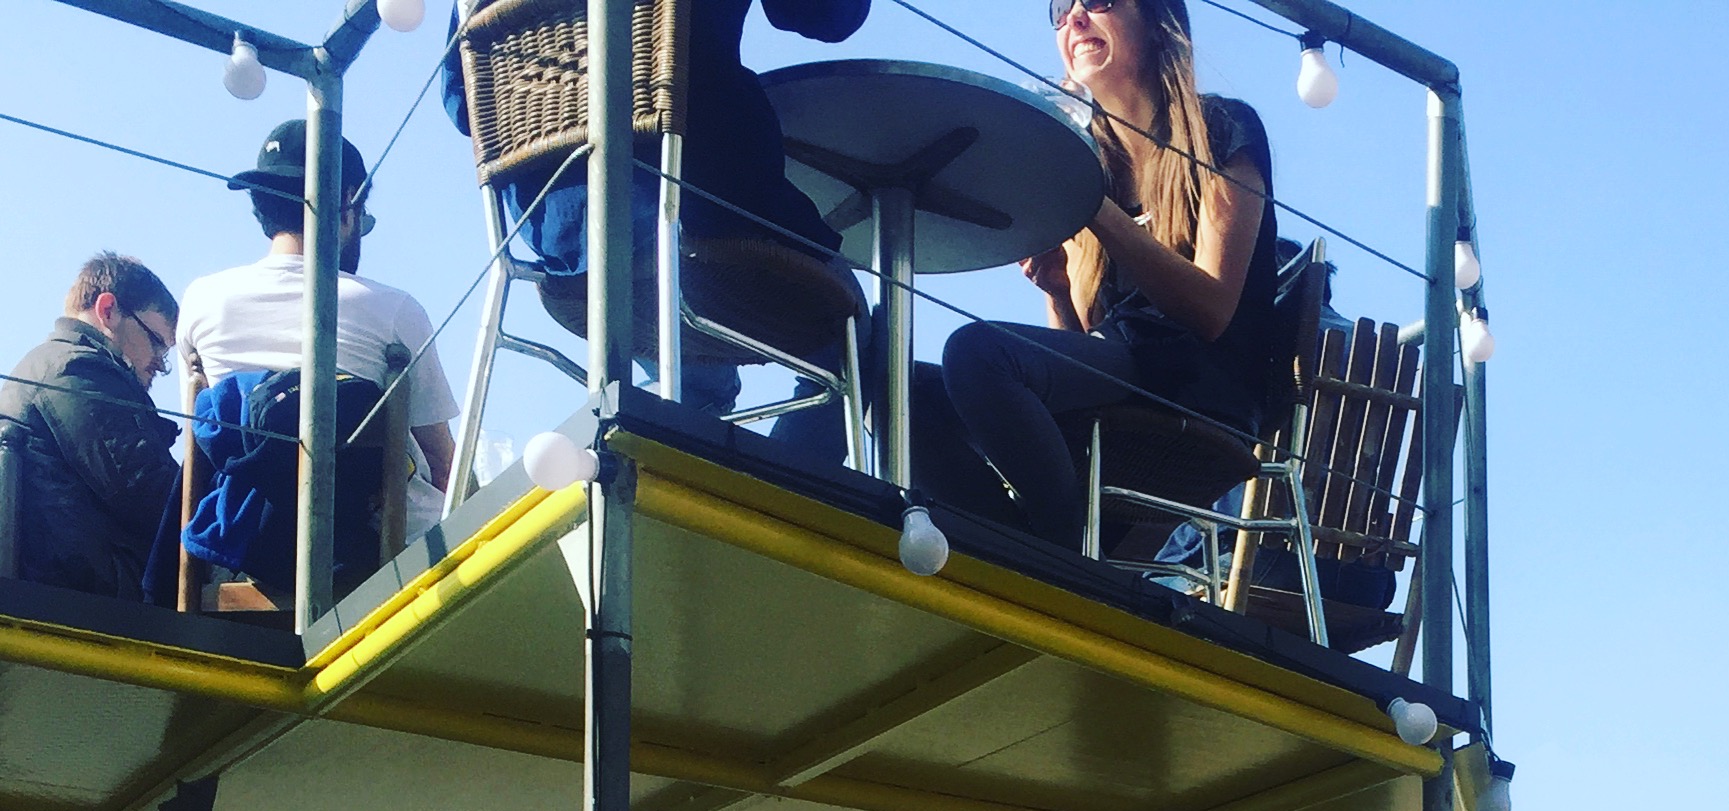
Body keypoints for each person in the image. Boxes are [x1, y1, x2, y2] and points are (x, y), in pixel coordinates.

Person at [910, 0, 1277, 547]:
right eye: (1061, 9)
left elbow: (1212, 311)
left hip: (1199, 382)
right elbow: (1079, 358)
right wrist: (1058, 292)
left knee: (976, 351)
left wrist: (1092, 205)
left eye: (1098, 1)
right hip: (1129, 371)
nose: (1075, 19)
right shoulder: (1088, 159)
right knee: (899, 382)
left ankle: (1060, 553)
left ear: (1157, 22)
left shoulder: (1221, 130)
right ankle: (1014, 548)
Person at [440, 0, 869, 437]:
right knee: (856, 333)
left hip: (565, 241)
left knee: (693, 381)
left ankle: (663, 450)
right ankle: (792, 496)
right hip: (702, 206)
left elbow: (463, 103)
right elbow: (827, 17)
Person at [179, 123, 459, 524]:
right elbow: (446, 465)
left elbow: (199, 449)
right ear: (348, 201)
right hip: (388, 550)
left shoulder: (202, 300)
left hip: (247, 543)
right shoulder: (392, 308)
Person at [0, 254, 182, 598]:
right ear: (109, 310)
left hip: (58, 582)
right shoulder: (79, 370)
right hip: (88, 591)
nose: (160, 363)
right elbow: (148, 493)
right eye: (156, 342)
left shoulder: (48, 364)